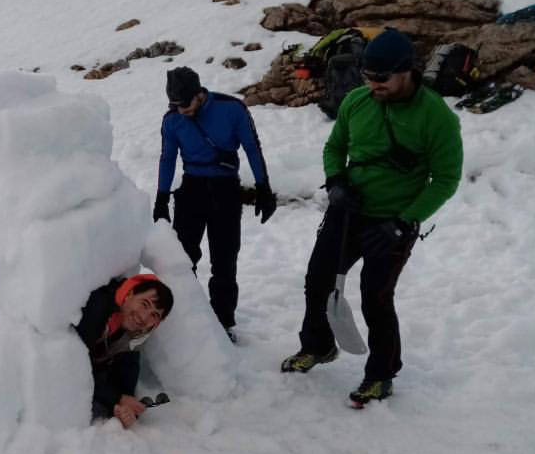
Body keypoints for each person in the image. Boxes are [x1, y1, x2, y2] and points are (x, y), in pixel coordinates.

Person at [281, 28, 463, 406]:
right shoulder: (357, 101)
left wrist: (404, 221)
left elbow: (445, 180)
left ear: (406, 71)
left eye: (381, 78)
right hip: (347, 211)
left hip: (392, 223)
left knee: (375, 298)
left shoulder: (436, 118)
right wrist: (335, 182)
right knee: (317, 281)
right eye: (367, 76)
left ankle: (382, 373)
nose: (373, 84)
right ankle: (317, 346)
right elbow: (336, 146)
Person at [153, 67, 276, 338]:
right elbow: (167, 158)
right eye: (175, 104)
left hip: (225, 190)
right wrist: (161, 198)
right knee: (183, 258)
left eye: (185, 103)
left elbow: (253, 148)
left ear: (199, 94)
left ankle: (223, 323)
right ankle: (185, 316)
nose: (181, 110)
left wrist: (263, 187)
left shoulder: (232, 109)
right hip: (191, 189)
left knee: (224, 259)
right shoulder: (172, 119)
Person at [73, 274, 174, 428]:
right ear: (129, 295)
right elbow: (75, 368)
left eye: (154, 315)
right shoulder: (98, 308)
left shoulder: (137, 332)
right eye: (144, 304)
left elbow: (128, 369)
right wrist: (116, 398)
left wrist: (126, 405)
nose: (143, 317)